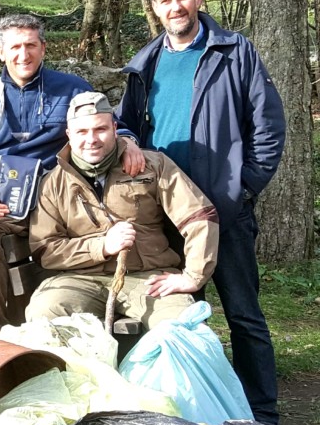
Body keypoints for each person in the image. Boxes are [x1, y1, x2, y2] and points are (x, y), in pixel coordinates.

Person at [116, 0, 286, 425]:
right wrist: (128, 140)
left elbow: (268, 126)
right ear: (154, 9)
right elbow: (125, 121)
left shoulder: (234, 52)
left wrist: (243, 186)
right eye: (165, 1)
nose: (175, 7)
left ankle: (262, 417)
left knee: (243, 316)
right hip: (166, 215)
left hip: (222, 210)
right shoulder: (145, 62)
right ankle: (198, 412)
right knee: (180, 319)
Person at [0, 13, 144, 335]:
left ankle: (67, 322)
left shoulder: (70, 89)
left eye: (30, 45)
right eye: (14, 47)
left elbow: (108, 125)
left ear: (43, 47)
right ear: (0, 51)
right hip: (6, 201)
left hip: (60, 199)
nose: (22, 55)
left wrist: (129, 142)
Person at [26, 92, 219, 328]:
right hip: (80, 279)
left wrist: (193, 276)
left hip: (149, 278)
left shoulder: (152, 166)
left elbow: (199, 216)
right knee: (44, 313)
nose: (91, 139)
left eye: (100, 129)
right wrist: (102, 247)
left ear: (115, 128)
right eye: (82, 132)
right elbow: (46, 249)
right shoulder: (53, 183)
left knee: (182, 326)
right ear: (69, 135)